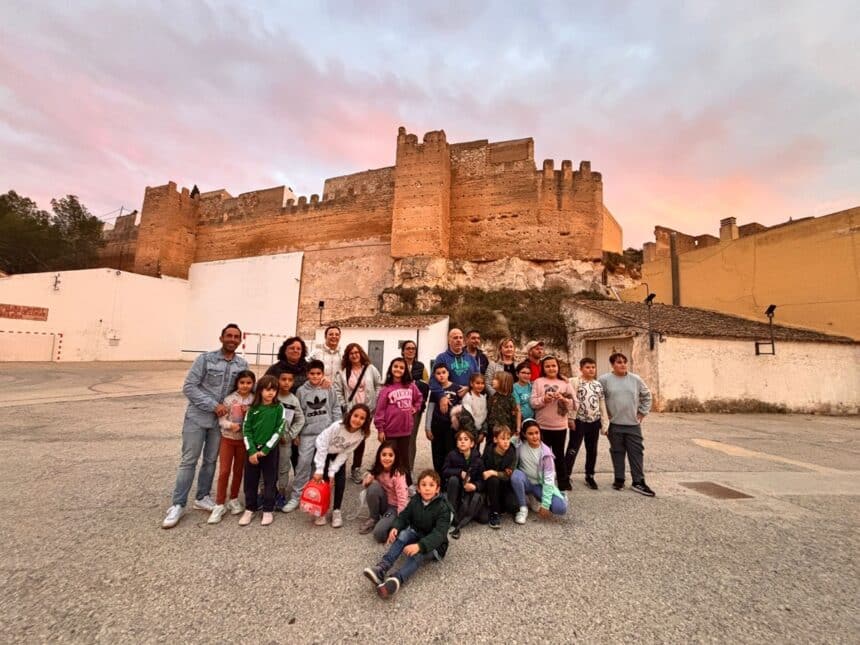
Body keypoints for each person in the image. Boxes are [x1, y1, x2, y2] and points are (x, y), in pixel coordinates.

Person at [162, 323, 249, 530]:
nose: (232, 339)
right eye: (229, 336)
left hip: (221, 424)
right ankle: (178, 504)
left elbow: (244, 390)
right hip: (198, 417)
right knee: (189, 460)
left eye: (236, 337)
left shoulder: (242, 364)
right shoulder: (205, 359)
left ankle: (202, 496)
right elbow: (189, 387)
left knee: (210, 461)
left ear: (240, 340)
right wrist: (213, 405)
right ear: (221, 338)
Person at [362, 469, 453, 599]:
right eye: (424, 485)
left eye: (431, 485)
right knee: (404, 534)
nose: (427, 488)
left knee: (417, 554)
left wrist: (419, 546)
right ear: (419, 488)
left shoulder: (443, 508)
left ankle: (397, 579)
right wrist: (396, 527)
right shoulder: (416, 500)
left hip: (436, 545)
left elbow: (439, 534)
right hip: (418, 533)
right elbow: (404, 516)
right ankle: (382, 568)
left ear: (437, 489)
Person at [283, 359, 340, 512]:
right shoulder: (301, 390)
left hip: (325, 432)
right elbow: (298, 412)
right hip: (307, 433)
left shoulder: (329, 388)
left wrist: (336, 429)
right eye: (312, 373)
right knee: (303, 463)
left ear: (323, 374)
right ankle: (297, 495)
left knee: (319, 464)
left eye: (318, 374)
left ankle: (313, 493)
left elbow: (335, 408)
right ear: (307, 374)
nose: (315, 376)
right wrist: (296, 433)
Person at [598, 352, 655, 496]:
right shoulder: (604, 380)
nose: (622, 364)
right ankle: (619, 479)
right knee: (617, 452)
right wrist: (604, 417)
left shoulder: (635, 379)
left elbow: (647, 395)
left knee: (636, 452)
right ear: (612, 365)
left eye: (624, 362)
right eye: (618, 362)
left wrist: (642, 412)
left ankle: (638, 481)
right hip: (614, 424)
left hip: (632, 424)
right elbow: (599, 399)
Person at [311, 403, 372, 527]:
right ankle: (321, 511)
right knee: (324, 482)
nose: (357, 420)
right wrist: (320, 469)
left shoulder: (360, 435)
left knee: (340, 482)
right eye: (355, 415)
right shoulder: (338, 426)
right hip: (324, 451)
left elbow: (346, 452)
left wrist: (333, 471)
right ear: (350, 415)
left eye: (362, 418)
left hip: (339, 454)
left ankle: (336, 510)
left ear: (366, 421)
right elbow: (322, 445)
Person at [208, 369, 256, 524]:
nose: (245, 386)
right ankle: (219, 503)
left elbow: (257, 419)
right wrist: (230, 425)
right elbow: (221, 420)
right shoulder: (229, 400)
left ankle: (233, 498)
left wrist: (251, 412)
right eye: (242, 382)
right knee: (224, 471)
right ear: (237, 383)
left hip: (244, 442)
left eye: (249, 383)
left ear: (253, 384)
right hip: (228, 440)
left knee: (238, 471)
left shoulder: (255, 400)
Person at [238, 375, 286, 527]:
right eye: (267, 389)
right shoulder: (253, 409)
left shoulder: (279, 408)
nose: (270, 393)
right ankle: (250, 508)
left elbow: (279, 429)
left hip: (269, 452)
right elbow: (247, 430)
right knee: (250, 481)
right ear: (260, 391)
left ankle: (268, 509)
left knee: (270, 481)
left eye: (273, 390)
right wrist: (252, 450)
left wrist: (266, 449)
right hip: (252, 452)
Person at [334, 343, 382, 484]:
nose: (354, 355)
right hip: (351, 411)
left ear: (361, 353)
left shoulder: (370, 369)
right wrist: (344, 405)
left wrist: (376, 401)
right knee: (346, 438)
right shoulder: (343, 372)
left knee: (361, 440)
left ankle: (356, 468)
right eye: (351, 353)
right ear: (347, 357)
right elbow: (337, 390)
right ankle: (339, 467)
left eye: (356, 352)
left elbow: (379, 384)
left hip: (367, 411)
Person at [374, 357, 423, 486]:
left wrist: (415, 408)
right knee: (388, 458)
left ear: (405, 370)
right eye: (395, 366)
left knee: (404, 459)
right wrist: (380, 429)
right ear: (391, 368)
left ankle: (407, 485)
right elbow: (380, 410)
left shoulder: (411, 386)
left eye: (402, 367)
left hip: (405, 430)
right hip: (390, 431)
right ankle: (384, 483)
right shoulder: (386, 389)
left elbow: (419, 398)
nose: (398, 369)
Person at [530, 355, 577, 491]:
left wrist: (563, 399)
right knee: (541, 455)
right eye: (548, 366)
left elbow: (575, 404)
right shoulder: (538, 382)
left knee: (559, 455)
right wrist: (544, 399)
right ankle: (541, 480)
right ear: (543, 368)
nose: (551, 368)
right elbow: (533, 403)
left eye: (554, 366)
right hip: (542, 425)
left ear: (558, 367)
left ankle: (563, 482)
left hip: (560, 426)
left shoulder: (565, 383)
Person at [511, 419, 567, 523]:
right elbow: (508, 442)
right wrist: (516, 435)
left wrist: (545, 504)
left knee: (560, 508)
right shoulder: (520, 445)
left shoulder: (546, 454)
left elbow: (549, 480)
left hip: (539, 485)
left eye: (537, 433)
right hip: (525, 482)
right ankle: (523, 509)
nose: (534, 436)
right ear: (524, 434)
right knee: (515, 475)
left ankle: (537, 497)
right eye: (530, 433)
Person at [567, 357, 608, 490]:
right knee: (573, 448)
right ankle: (565, 475)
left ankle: (589, 475)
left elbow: (602, 404)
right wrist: (571, 418)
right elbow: (570, 401)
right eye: (588, 367)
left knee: (592, 450)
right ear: (581, 369)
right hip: (579, 421)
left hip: (594, 422)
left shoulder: (598, 385)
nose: (591, 370)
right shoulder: (575, 382)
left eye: (593, 367)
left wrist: (604, 422)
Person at [360, 441, 409, 542]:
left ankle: (394, 527)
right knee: (373, 487)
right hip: (385, 503)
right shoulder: (378, 468)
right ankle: (374, 518)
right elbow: (365, 486)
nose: (387, 458)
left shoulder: (398, 474)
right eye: (384, 455)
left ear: (396, 457)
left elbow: (402, 499)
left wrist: (399, 522)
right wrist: (368, 479)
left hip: (395, 508)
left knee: (379, 534)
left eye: (391, 455)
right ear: (379, 456)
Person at [442, 430, 484, 539]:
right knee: (453, 480)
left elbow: (482, 479)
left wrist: (475, 486)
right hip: (455, 490)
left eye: (466, 439)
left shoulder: (478, 459)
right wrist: (459, 472)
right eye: (460, 439)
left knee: (484, 518)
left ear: (472, 444)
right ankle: (451, 513)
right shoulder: (452, 455)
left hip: (469, 492)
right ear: (456, 443)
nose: (462, 442)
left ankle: (461, 515)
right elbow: (444, 471)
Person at [274, 372, 305, 510]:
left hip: (284, 441)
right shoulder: (272, 395)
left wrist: (291, 435)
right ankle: (265, 493)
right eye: (283, 379)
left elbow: (300, 419)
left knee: (283, 468)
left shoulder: (293, 400)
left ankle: (281, 493)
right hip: (268, 440)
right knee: (268, 468)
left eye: (289, 380)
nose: (286, 382)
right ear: (278, 380)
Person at [401, 340, 429, 480]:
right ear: (403, 350)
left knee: (411, 439)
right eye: (408, 348)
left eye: (413, 348)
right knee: (398, 438)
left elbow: (426, 386)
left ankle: (409, 469)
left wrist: (413, 385)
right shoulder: (398, 364)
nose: (411, 351)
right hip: (398, 408)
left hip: (415, 408)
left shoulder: (421, 367)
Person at [482, 425, 518, 528]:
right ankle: (494, 512)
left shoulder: (512, 453)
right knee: (493, 480)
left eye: (508, 438)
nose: (506, 442)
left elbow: (508, 475)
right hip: (490, 484)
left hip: (505, 484)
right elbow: (482, 467)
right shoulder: (488, 451)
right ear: (495, 439)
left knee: (513, 507)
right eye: (503, 439)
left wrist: (493, 472)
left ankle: (500, 503)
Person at [426, 364, 460, 474]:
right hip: (436, 426)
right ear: (434, 376)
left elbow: (462, 408)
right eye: (438, 373)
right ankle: (439, 478)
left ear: (448, 373)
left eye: (443, 372)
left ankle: (449, 478)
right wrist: (427, 427)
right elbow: (430, 409)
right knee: (437, 454)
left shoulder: (456, 388)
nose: (441, 375)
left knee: (450, 452)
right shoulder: (435, 390)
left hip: (451, 428)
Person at [429, 328, 478, 401]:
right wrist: (442, 397)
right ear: (449, 341)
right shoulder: (441, 358)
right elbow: (433, 381)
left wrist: (469, 388)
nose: (458, 340)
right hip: (449, 400)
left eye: (460, 338)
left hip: (469, 399)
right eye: (455, 338)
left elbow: (477, 379)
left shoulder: (471, 358)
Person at [457, 373, 488, 445]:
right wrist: (475, 436)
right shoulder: (468, 398)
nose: (480, 386)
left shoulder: (483, 398)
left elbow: (484, 416)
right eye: (477, 383)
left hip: (479, 433)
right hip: (468, 435)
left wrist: (483, 433)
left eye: (482, 383)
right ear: (471, 384)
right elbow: (466, 419)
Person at [512, 361, 534, 432]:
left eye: (528, 373)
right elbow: (517, 409)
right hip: (521, 420)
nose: (526, 375)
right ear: (517, 374)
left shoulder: (532, 385)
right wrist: (518, 428)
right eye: (523, 373)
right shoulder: (514, 388)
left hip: (533, 419)